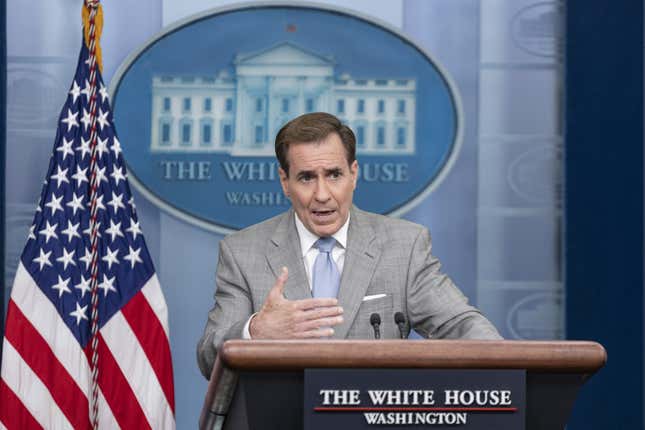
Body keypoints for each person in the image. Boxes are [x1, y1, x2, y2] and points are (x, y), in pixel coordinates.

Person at [197, 112, 501, 379]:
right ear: (284, 181)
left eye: (333, 175)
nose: (322, 194)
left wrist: (514, 371)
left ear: (353, 174)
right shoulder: (242, 252)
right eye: (306, 178)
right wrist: (256, 331)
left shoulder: (404, 246)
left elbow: (460, 325)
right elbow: (209, 359)